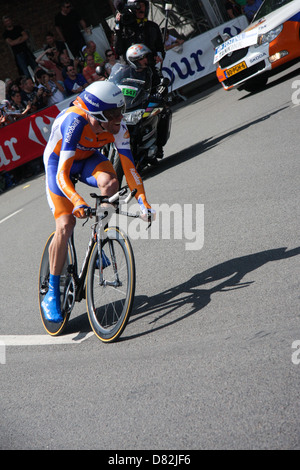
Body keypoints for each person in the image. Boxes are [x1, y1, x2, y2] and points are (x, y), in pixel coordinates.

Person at [41, 80, 155, 322]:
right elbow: (62, 173)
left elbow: (129, 167)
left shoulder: (119, 127)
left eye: (120, 111)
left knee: (111, 183)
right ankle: (51, 292)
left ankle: (97, 239)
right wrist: (77, 200)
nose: (119, 118)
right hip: (58, 164)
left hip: (88, 157)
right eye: (113, 114)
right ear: (97, 115)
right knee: (65, 225)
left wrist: (143, 200)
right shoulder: (75, 122)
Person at [115, 0, 165, 69]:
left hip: (149, 70)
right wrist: (118, 26)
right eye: (138, 6)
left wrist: (159, 56)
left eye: (143, 5)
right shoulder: (124, 29)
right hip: (130, 72)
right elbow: (118, 50)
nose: (141, 9)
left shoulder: (152, 26)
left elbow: (160, 48)